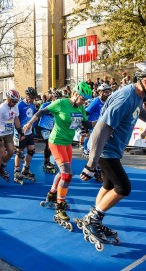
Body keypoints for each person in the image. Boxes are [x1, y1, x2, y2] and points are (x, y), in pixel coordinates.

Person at [77, 61, 146, 248]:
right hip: (105, 149)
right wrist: (91, 163)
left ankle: (93, 217)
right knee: (123, 188)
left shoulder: (137, 95)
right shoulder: (125, 97)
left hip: (111, 149)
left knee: (108, 184)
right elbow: (100, 129)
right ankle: (93, 220)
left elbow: (141, 113)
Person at [23, 82, 93, 229]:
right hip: (56, 142)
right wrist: (29, 124)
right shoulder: (61, 103)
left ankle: (52, 194)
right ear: (74, 94)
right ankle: (59, 206)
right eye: (82, 99)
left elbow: (86, 124)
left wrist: (101, 125)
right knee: (67, 175)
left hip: (67, 143)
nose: (84, 102)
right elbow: (41, 112)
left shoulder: (80, 107)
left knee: (63, 173)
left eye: (86, 100)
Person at [0, 89, 24, 187]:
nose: (15, 103)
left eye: (16, 102)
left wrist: (20, 131)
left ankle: (2, 167)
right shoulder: (2, 108)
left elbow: (16, 119)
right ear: (8, 99)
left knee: (11, 151)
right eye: (13, 101)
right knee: (2, 153)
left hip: (9, 132)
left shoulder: (15, 106)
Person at [13, 87, 38, 184]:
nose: (33, 100)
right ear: (27, 96)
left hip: (29, 132)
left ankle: (25, 169)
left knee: (31, 150)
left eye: (34, 98)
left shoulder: (32, 104)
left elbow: (32, 116)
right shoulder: (20, 105)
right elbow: (16, 119)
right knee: (20, 152)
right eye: (32, 98)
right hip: (21, 133)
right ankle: (16, 171)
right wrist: (19, 132)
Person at [37, 92, 58, 173]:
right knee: (49, 144)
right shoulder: (45, 105)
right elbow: (37, 114)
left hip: (50, 128)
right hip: (42, 127)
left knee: (50, 145)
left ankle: (47, 161)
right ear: (53, 98)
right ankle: (46, 162)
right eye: (56, 98)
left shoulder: (59, 107)